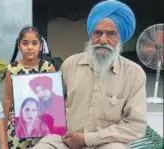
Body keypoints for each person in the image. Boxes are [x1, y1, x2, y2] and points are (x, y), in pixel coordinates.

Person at [32, 0, 147, 149]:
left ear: (120, 38)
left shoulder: (134, 74)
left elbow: (135, 125)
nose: (103, 40)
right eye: (98, 33)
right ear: (91, 34)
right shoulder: (70, 64)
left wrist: (88, 139)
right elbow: (50, 106)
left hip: (107, 142)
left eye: (111, 34)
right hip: (65, 139)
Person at [3, 26, 55, 148]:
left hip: (42, 125)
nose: (30, 47)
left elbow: (52, 99)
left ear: (41, 46)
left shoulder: (47, 68)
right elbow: (8, 98)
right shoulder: (12, 69)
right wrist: (5, 123)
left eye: (34, 43)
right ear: (18, 45)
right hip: (17, 124)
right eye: (25, 43)